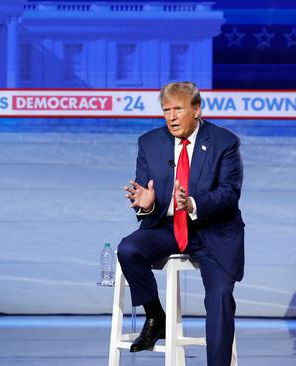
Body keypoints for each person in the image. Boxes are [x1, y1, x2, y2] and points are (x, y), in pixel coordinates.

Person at [118, 81, 244, 366]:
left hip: (213, 231)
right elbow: (145, 191)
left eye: (178, 109)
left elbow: (229, 194)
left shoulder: (224, 142)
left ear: (196, 110)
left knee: (220, 297)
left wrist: (193, 204)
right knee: (128, 249)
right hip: (167, 229)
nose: (171, 117)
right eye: (166, 110)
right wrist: (147, 204)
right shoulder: (149, 142)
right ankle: (155, 316)